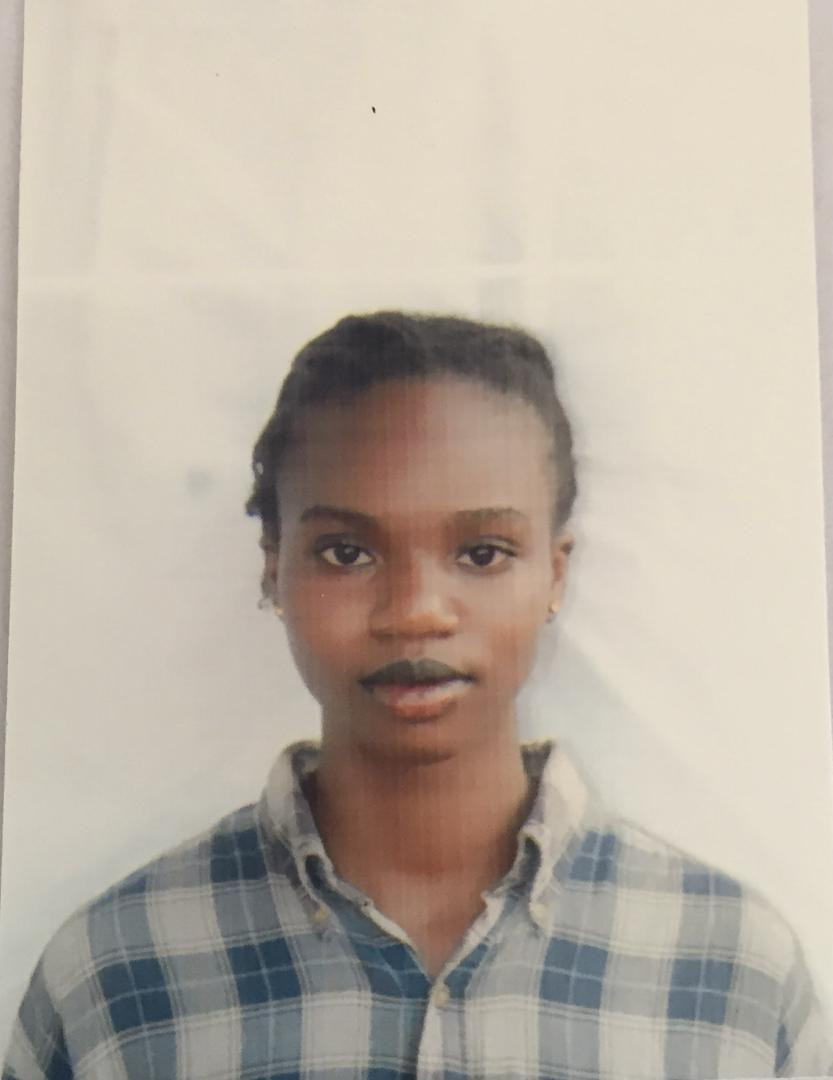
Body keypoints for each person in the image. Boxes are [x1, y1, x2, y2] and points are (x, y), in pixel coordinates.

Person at [3, 312, 831, 1079]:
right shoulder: (112, 976)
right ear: (273, 569)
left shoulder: (732, 976)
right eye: (346, 553)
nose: (415, 611)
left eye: (482, 552)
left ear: (555, 574)